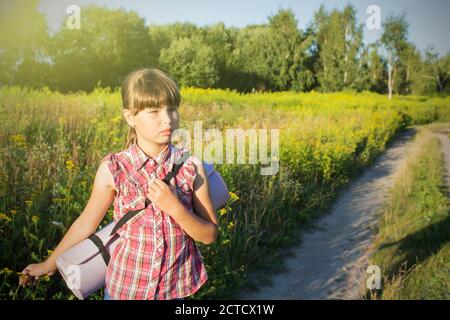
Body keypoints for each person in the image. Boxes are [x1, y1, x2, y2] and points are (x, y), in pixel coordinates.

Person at [20, 68, 219, 300]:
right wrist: (48, 264)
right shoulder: (114, 168)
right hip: (125, 289)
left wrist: (175, 208)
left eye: (172, 109)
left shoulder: (190, 166)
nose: (167, 118)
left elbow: (209, 235)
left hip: (174, 291)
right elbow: (86, 224)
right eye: (154, 111)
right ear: (130, 116)